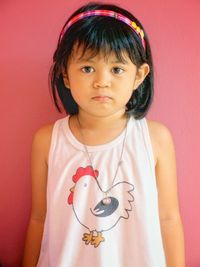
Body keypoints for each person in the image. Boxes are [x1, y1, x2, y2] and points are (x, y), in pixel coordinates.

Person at [22, 2, 185, 267]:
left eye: (117, 69)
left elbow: (168, 218)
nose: (102, 81)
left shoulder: (155, 139)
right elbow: (39, 218)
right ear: (65, 73)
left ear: (139, 75)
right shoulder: (47, 140)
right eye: (87, 68)